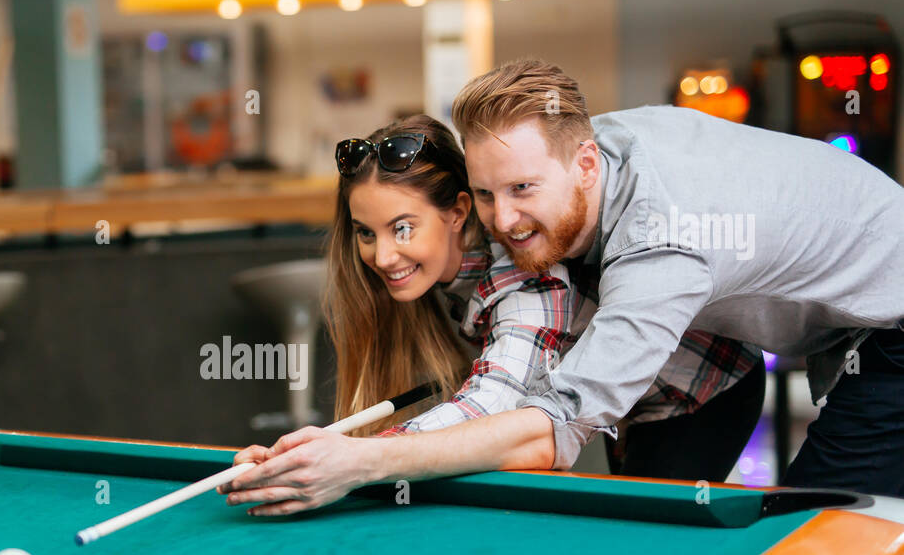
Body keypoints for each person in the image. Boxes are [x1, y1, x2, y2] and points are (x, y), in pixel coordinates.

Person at [218, 60, 904, 515]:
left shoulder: (660, 242)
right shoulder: (582, 147)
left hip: (891, 323)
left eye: (522, 190)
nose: (504, 221)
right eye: (485, 193)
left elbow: (554, 425)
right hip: (820, 323)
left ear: (582, 164)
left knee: (814, 534)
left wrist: (359, 459)